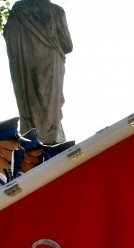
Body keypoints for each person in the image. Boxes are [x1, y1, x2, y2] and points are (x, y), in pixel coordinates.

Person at [4, 0, 73, 144]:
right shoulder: (56, 11)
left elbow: (9, 35)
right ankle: (51, 138)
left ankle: (34, 137)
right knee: (50, 104)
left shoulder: (18, 10)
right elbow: (67, 44)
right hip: (51, 62)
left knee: (30, 102)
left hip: (24, 64)